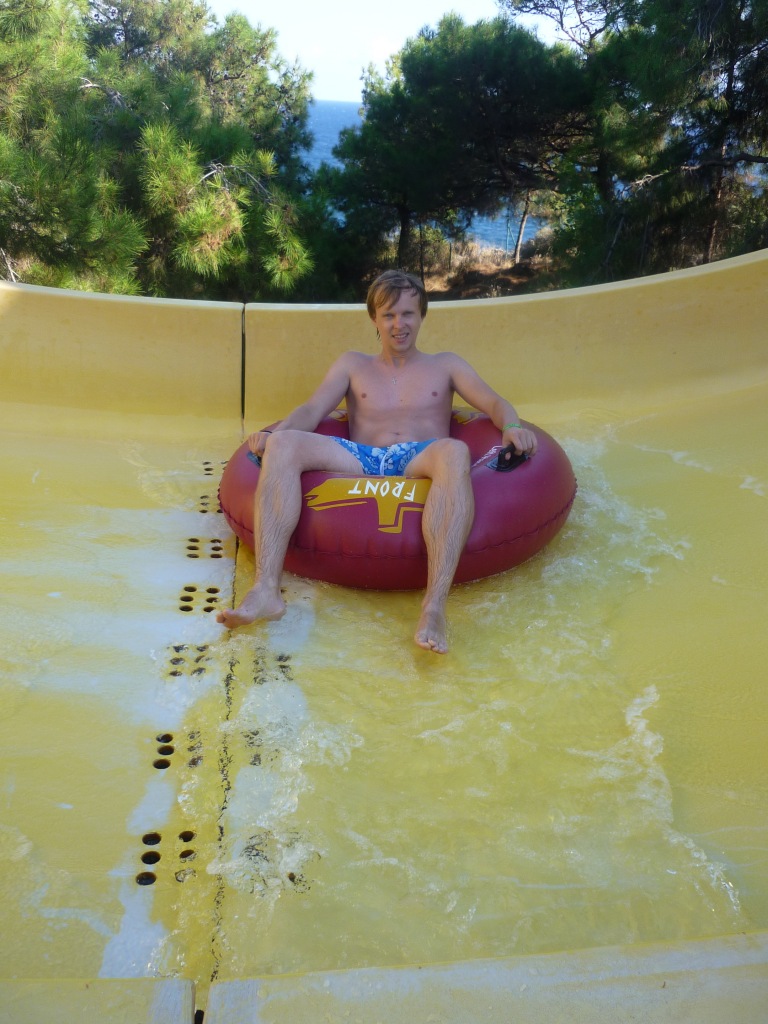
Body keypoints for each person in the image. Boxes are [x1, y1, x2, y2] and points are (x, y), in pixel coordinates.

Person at [216, 269, 537, 653]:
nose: (399, 325)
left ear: (422, 315)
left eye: (408, 314)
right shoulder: (353, 365)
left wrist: (512, 427)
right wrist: (275, 434)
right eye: (389, 315)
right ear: (374, 319)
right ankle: (266, 590)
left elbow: (494, 402)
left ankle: (434, 606)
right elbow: (313, 409)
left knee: (455, 450)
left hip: (419, 455)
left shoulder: (446, 365)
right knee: (284, 444)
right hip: (360, 457)